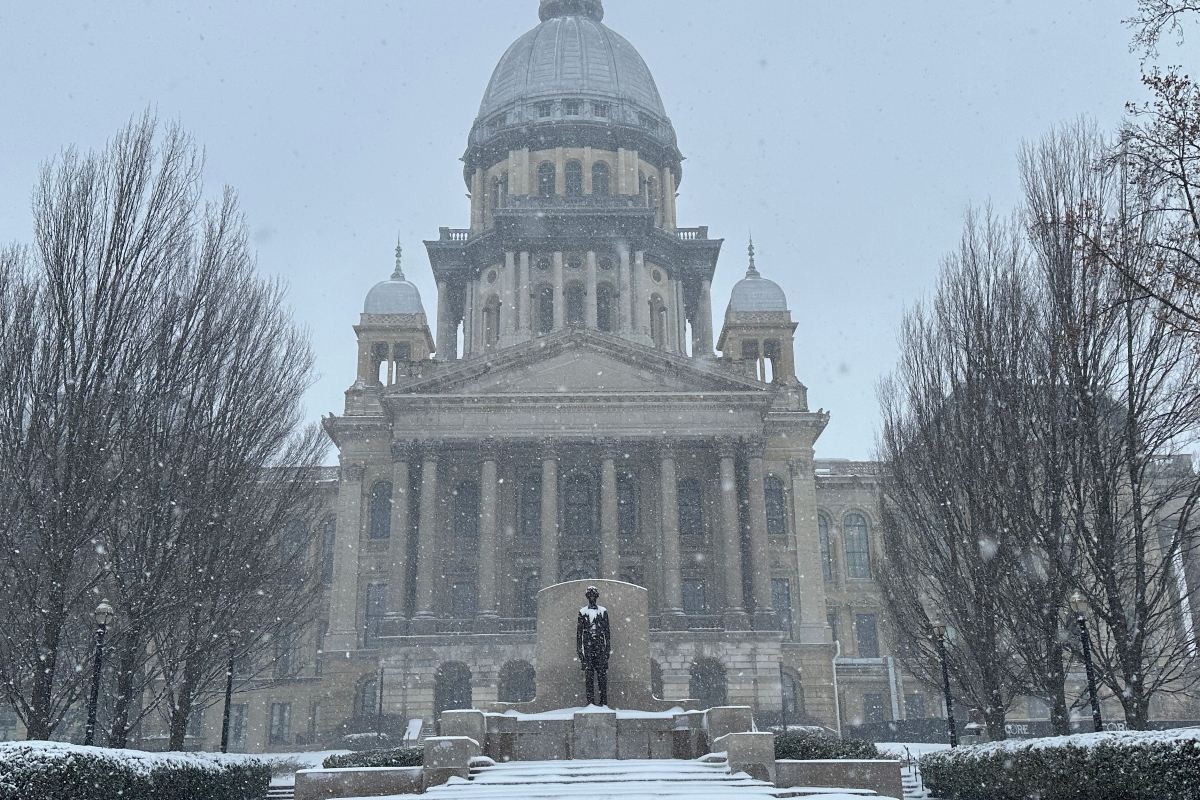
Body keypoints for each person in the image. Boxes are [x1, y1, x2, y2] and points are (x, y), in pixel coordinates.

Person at [576, 586, 611, 707]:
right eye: (589, 596)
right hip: (588, 649)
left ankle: (603, 701)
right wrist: (580, 651)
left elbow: (607, 633)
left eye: (593, 596)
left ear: (596, 597)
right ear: (587, 597)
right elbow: (579, 634)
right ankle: (590, 702)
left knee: (602, 676)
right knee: (589, 677)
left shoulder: (603, 611)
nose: (592, 598)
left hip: (600, 648)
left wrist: (607, 650)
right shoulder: (582, 612)